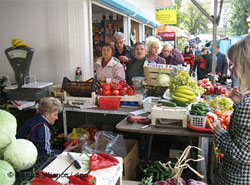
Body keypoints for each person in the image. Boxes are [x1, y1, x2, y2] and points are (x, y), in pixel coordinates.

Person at [212, 34, 250, 185]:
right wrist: (238, 104)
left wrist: (219, 132)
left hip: (237, 179)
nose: (232, 69)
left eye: (235, 63)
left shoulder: (247, 105)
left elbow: (241, 154)